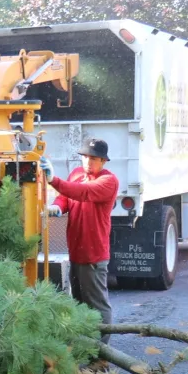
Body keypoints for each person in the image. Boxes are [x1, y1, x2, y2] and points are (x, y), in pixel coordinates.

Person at [40, 138, 119, 343]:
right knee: (78, 303)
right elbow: (65, 197)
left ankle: (101, 354)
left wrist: (53, 180)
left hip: (93, 255)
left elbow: (83, 193)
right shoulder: (76, 174)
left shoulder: (108, 181)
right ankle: (85, 346)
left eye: (93, 158)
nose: (87, 162)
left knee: (97, 305)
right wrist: (58, 206)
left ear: (103, 161)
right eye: (84, 157)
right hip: (76, 251)